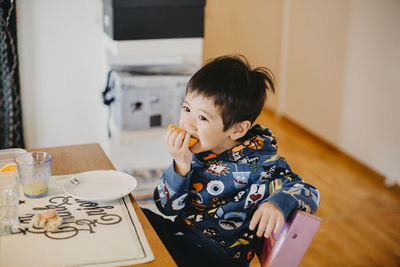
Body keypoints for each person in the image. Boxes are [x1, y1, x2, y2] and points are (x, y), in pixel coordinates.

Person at [143, 55, 320, 267]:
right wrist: (180, 165)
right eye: (187, 109)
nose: (188, 123)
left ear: (237, 129)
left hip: (215, 260)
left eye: (203, 118)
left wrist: (277, 203)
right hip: (181, 238)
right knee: (137, 218)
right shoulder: (197, 151)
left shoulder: (263, 166)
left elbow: (309, 191)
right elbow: (166, 207)